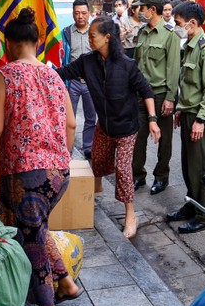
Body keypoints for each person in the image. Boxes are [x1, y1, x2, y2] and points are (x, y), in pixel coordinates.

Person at [0, 8, 81, 306]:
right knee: (36, 229)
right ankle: (65, 282)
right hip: (57, 172)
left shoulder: (3, 75)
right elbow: (71, 124)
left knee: (32, 240)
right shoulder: (54, 75)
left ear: (8, 43)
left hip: (25, 174)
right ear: (37, 42)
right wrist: (59, 157)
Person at [56, 17, 160, 238]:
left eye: (93, 36)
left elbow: (146, 91)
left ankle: (131, 215)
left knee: (123, 170)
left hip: (126, 128)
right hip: (104, 127)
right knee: (98, 159)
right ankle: (93, 190)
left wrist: (152, 119)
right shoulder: (87, 62)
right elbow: (61, 73)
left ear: (107, 37)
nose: (89, 39)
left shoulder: (127, 65)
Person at [166, 1, 205, 234]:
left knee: (202, 168)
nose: (176, 26)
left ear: (192, 23)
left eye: (178, 23)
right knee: (189, 166)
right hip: (188, 112)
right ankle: (192, 205)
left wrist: (200, 119)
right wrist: (180, 108)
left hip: (201, 116)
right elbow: (188, 84)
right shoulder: (189, 44)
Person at [131, 0, 181, 195]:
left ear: (152, 10)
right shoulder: (142, 33)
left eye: (143, 8)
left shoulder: (170, 36)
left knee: (164, 140)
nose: (140, 11)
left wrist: (170, 98)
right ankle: (138, 176)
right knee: (138, 138)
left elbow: (173, 70)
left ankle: (161, 177)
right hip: (140, 95)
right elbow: (136, 64)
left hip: (161, 95)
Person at [60, 0, 97, 158]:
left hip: (90, 81)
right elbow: (62, 56)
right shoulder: (66, 32)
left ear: (89, 13)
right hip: (72, 81)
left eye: (83, 13)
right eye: (77, 13)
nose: (80, 16)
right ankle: (66, 148)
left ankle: (88, 147)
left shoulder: (96, 31)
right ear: (73, 14)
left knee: (91, 116)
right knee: (68, 116)